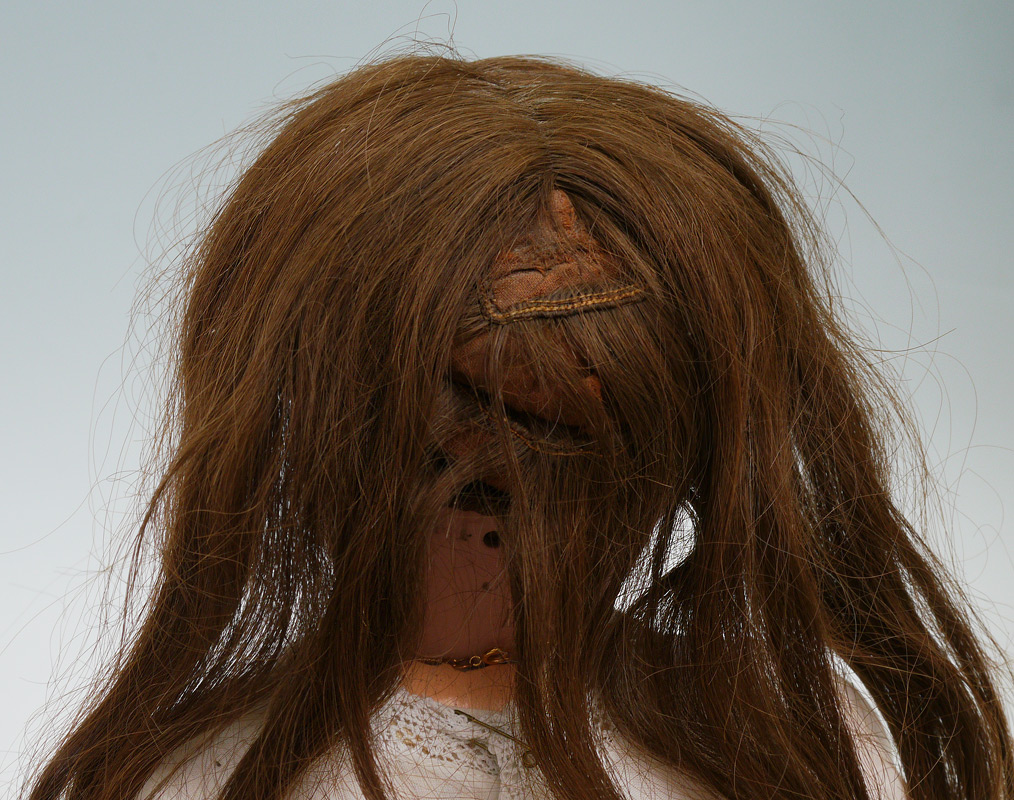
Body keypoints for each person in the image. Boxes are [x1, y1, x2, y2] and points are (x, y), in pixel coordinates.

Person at [24, 52, 1013, 800]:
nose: (496, 525)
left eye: (578, 457)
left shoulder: (797, 741)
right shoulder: (203, 773)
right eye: (441, 458)